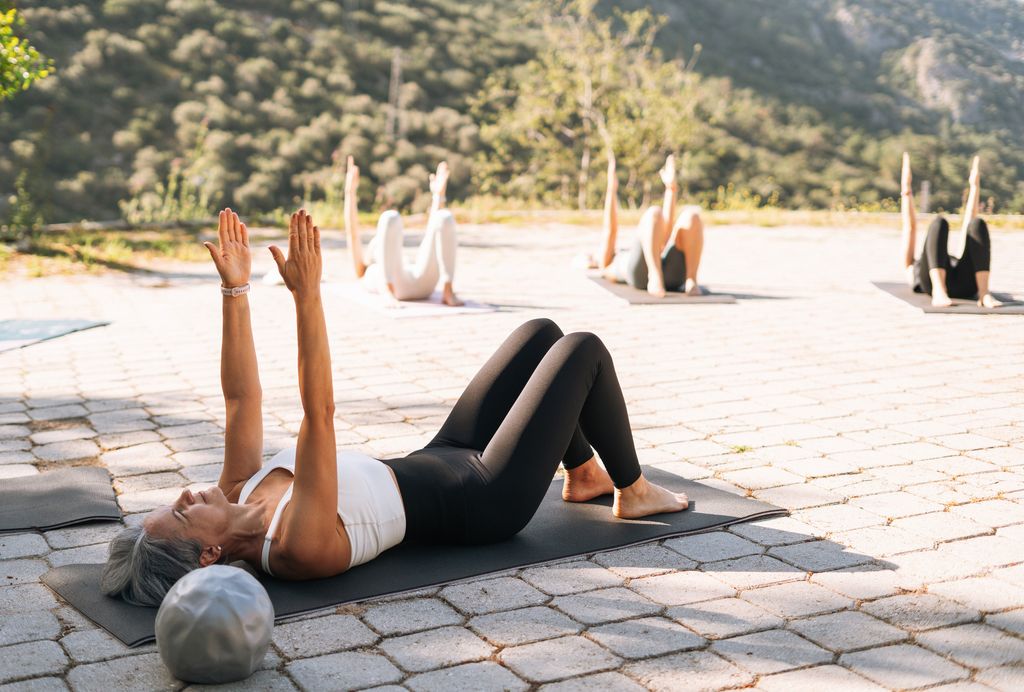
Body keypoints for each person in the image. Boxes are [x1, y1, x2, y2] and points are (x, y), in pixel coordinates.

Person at [101, 208, 689, 606]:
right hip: (484, 499)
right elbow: (319, 414)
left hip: (439, 454)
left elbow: (240, 397)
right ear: (208, 554)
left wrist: (234, 289)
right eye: (180, 514)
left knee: (540, 333)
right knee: (579, 350)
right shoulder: (294, 548)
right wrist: (308, 297)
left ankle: (584, 474)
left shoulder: (236, 489)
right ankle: (632, 491)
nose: (182, 495)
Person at [581, 153, 705, 297]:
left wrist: (671, 189)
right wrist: (611, 190)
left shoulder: (618, 256)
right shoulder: (607, 263)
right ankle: (662, 277)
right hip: (648, 276)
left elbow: (663, 234)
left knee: (692, 216)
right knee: (654, 213)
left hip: (663, 272)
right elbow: (610, 231)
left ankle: (688, 280)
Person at [344, 157, 462, 306]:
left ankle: (448, 289)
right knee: (390, 217)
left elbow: (431, 238)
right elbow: (352, 234)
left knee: (444, 217)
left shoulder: (396, 261)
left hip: (421, 281)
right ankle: (388, 289)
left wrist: (438, 196)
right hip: (398, 284)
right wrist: (350, 192)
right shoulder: (363, 270)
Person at [900, 153, 1002, 308]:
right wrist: (906, 191)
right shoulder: (912, 266)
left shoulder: (950, 261)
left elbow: (969, 226)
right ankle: (939, 291)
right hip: (932, 285)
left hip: (966, 285)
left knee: (977, 223)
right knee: (939, 222)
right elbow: (910, 227)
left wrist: (975, 186)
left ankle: (984, 293)